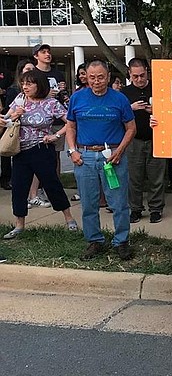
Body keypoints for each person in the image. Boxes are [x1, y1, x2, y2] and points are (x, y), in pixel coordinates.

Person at [66, 60, 136, 261]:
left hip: (112, 156)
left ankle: (121, 241)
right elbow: (71, 126)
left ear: (108, 77)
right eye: (92, 77)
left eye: (101, 77)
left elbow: (131, 128)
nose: (96, 81)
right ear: (85, 77)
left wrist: (120, 150)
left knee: (119, 202)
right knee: (88, 202)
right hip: (85, 156)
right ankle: (94, 240)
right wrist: (72, 151)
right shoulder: (77, 98)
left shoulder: (119, 99)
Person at [1, 69, 78, 239]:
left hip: (42, 150)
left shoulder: (51, 103)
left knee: (52, 184)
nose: (25, 86)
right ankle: (19, 225)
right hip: (21, 151)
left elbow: (70, 122)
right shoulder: (20, 100)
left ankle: (69, 218)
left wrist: (56, 135)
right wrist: (13, 116)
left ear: (39, 85)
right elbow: (5, 121)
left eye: (29, 83)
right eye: (23, 83)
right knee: (19, 188)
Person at [122, 58, 166, 224]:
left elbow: (170, 112)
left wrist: (155, 110)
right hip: (133, 140)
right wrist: (130, 108)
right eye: (135, 76)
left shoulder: (159, 88)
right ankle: (135, 209)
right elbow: (118, 116)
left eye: (142, 75)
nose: (139, 79)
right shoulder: (124, 93)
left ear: (147, 72)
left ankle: (156, 209)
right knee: (134, 177)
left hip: (157, 137)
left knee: (157, 176)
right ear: (130, 75)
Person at [1, 59, 34, 190]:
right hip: (15, 134)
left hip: (35, 142)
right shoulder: (16, 93)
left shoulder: (45, 99)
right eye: (28, 70)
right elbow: (7, 116)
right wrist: (14, 116)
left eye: (33, 70)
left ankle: (34, 193)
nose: (31, 73)